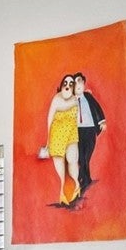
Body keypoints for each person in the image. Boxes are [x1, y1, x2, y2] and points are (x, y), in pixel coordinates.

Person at [44, 76, 81, 207]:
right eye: (65, 83)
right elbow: (50, 118)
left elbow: (78, 119)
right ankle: (62, 193)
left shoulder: (76, 99)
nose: (67, 86)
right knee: (60, 165)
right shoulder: (57, 99)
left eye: (71, 84)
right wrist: (48, 140)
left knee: (72, 159)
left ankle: (77, 185)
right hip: (57, 136)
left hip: (71, 135)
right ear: (61, 84)